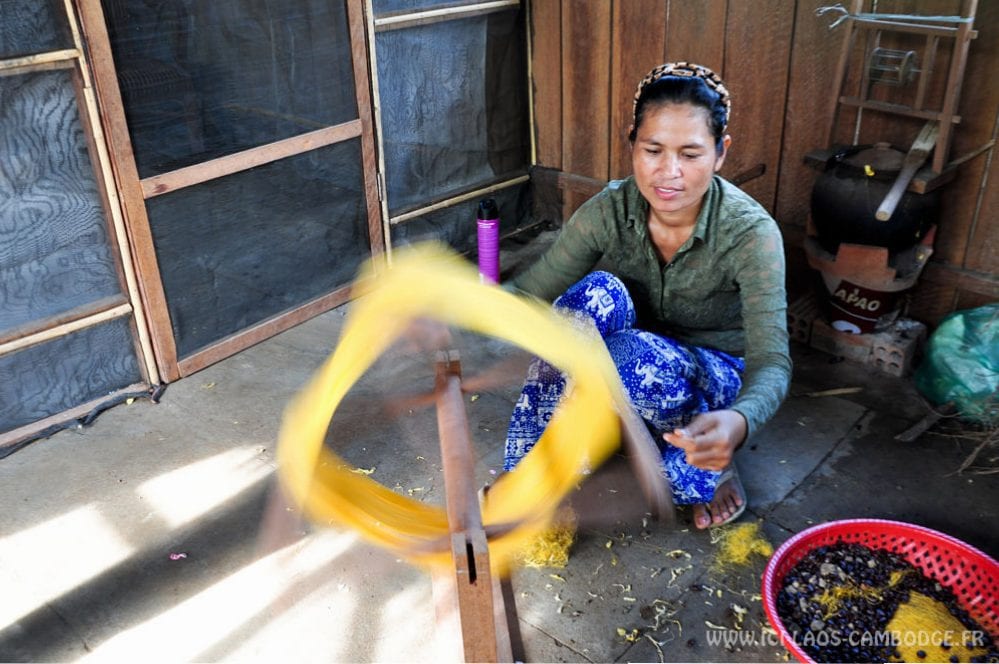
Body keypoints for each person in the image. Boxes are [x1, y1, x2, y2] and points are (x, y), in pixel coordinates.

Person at [502, 62, 791, 529]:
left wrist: (738, 423)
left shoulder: (751, 234)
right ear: (631, 142)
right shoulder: (609, 210)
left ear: (721, 153)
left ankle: (709, 464)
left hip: (711, 371)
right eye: (653, 149)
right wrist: (450, 307)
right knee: (591, 299)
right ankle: (532, 474)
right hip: (629, 359)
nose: (669, 173)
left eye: (691, 154)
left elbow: (771, 362)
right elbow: (531, 296)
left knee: (632, 371)